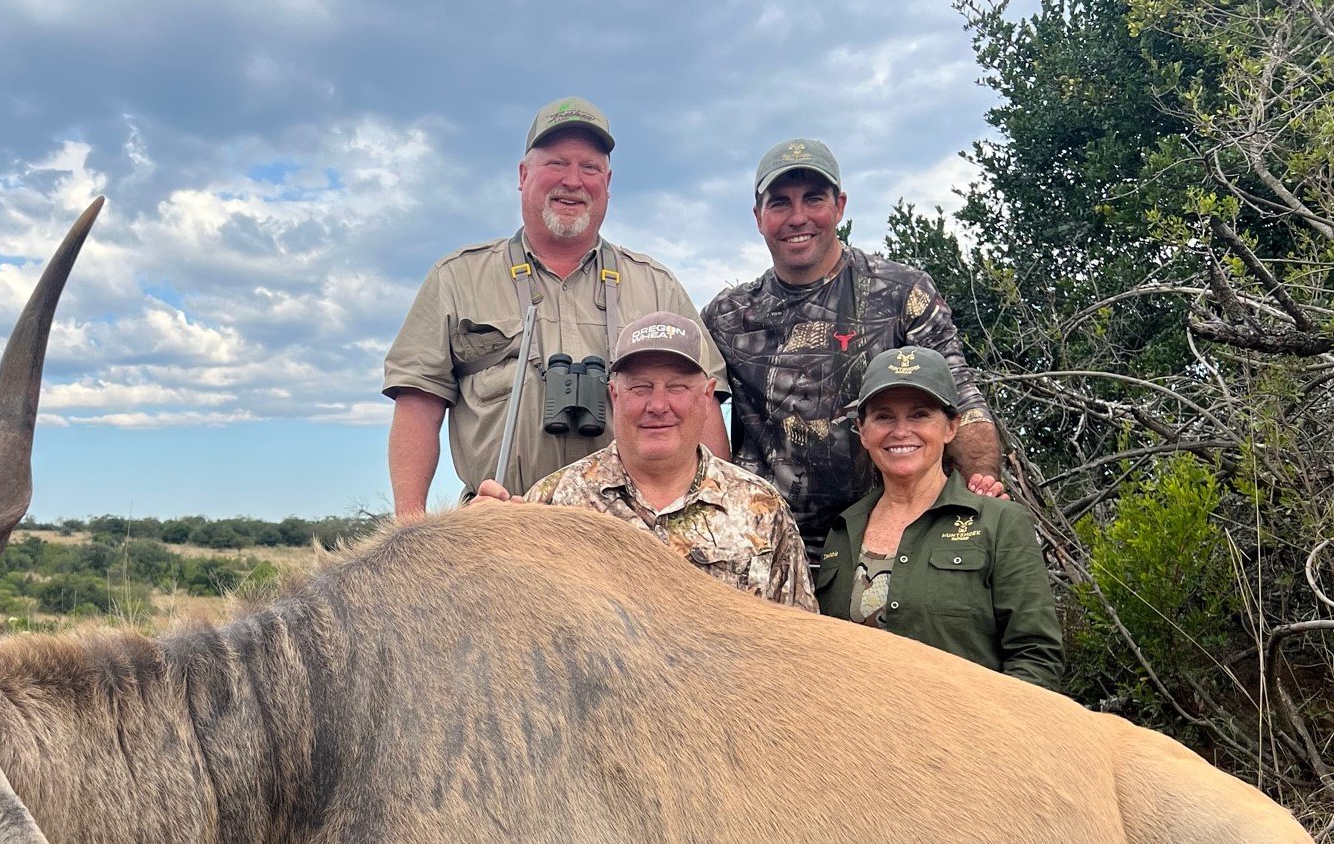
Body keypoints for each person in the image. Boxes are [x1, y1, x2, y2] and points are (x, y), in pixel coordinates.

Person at [384, 98, 728, 515]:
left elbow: (702, 402)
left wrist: (712, 513)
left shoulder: (657, 286)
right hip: (503, 525)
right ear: (523, 174)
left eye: (590, 168)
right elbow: (419, 403)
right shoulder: (456, 278)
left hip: (630, 535)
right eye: (556, 164)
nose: (573, 180)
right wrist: (409, 526)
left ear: (608, 181)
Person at [702, 137, 1002, 563]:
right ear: (758, 217)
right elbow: (689, 413)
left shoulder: (900, 292)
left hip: (886, 547)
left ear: (839, 207)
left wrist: (981, 493)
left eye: (814, 199)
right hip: (764, 549)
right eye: (780, 203)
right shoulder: (726, 316)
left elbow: (962, 400)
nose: (798, 217)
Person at [474, 313, 814, 609]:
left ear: (707, 396)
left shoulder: (762, 508)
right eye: (640, 387)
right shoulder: (549, 504)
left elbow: (801, 643)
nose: (657, 405)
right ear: (614, 395)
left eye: (677, 387)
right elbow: (509, 628)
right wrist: (478, 547)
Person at [813, 346, 1060, 686]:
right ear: (863, 430)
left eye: (920, 415)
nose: (901, 431)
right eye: (884, 416)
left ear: (951, 427)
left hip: (968, 735)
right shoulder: (842, 531)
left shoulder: (998, 522)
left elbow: (1036, 657)